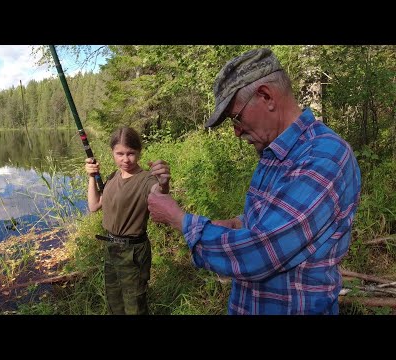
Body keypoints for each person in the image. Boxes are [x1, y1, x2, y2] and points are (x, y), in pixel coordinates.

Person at [147, 48, 361, 315]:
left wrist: (178, 219)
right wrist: (237, 224)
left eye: (236, 117)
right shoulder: (275, 153)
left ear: (266, 96)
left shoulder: (325, 156)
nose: (236, 131)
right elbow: (270, 220)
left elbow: (262, 249)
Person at [85, 126, 170, 315]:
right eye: (120, 153)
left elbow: (159, 193)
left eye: (130, 153)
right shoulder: (113, 176)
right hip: (111, 249)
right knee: (114, 303)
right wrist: (91, 177)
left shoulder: (146, 179)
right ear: (112, 153)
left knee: (135, 306)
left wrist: (164, 183)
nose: (125, 159)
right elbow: (94, 205)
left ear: (139, 152)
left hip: (133, 252)